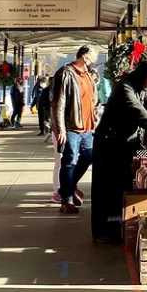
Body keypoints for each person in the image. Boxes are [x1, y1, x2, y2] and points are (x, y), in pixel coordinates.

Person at [92, 58, 147, 243]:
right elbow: (138, 112)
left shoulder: (144, 90)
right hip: (108, 143)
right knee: (105, 188)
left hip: (126, 144)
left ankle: (117, 227)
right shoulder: (124, 87)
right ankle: (102, 230)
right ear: (144, 76)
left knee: (122, 185)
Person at [51, 45, 98, 215]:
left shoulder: (87, 75)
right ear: (84, 56)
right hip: (71, 125)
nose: (94, 61)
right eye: (93, 57)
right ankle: (67, 201)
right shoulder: (66, 73)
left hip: (87, 126)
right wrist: (60, 129)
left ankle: (68, 188)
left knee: (89, 156)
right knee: (69, 161)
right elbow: (59, 102)